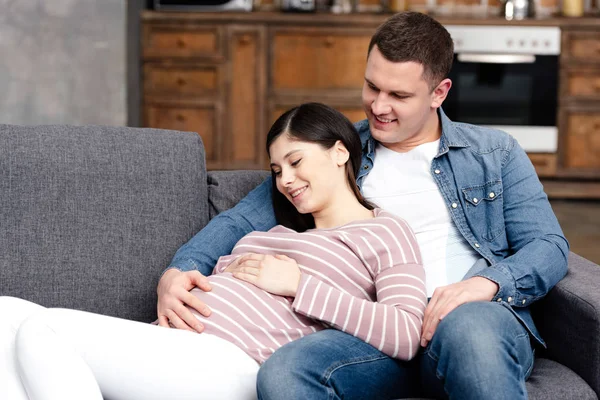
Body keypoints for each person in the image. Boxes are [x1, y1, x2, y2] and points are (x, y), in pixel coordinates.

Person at [157, 11, 569, 400]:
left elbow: (549, 245)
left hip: (469, 320)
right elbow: (238, 221)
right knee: (287, 370)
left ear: (438, 93)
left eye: (399, 95)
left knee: (471, 332)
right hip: (373, 333)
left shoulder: (493, 153)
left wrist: (485, 285)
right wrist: (179, 271)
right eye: (372, 86)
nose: (378, 106)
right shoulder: (336, 150)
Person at [0, 103, 426, 400]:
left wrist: (298, 284)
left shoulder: (384, 230)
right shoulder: (277, 226)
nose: (285, 180)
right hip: (173, 346)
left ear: (339, 152)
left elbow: (405, 333)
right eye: (277, 170)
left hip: (236, 362)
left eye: (296, 162)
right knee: (6, 318)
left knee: (44, 330)